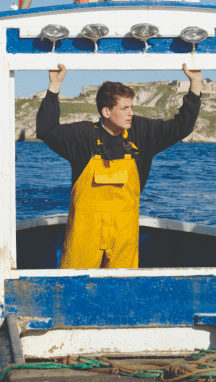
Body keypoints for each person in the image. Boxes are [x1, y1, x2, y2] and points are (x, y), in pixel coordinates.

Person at [35, 63, 202, 268]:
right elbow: (46, 130)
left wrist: (195, 84)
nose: (131, 113)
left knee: (122, 289)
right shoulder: (82, 136)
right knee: (76, 287)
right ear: (106, 111)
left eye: (131, 107)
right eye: (124, 108)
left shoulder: (142, 131)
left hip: (124, 234)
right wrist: (54, 85)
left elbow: (181, 127)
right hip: (85, 233)